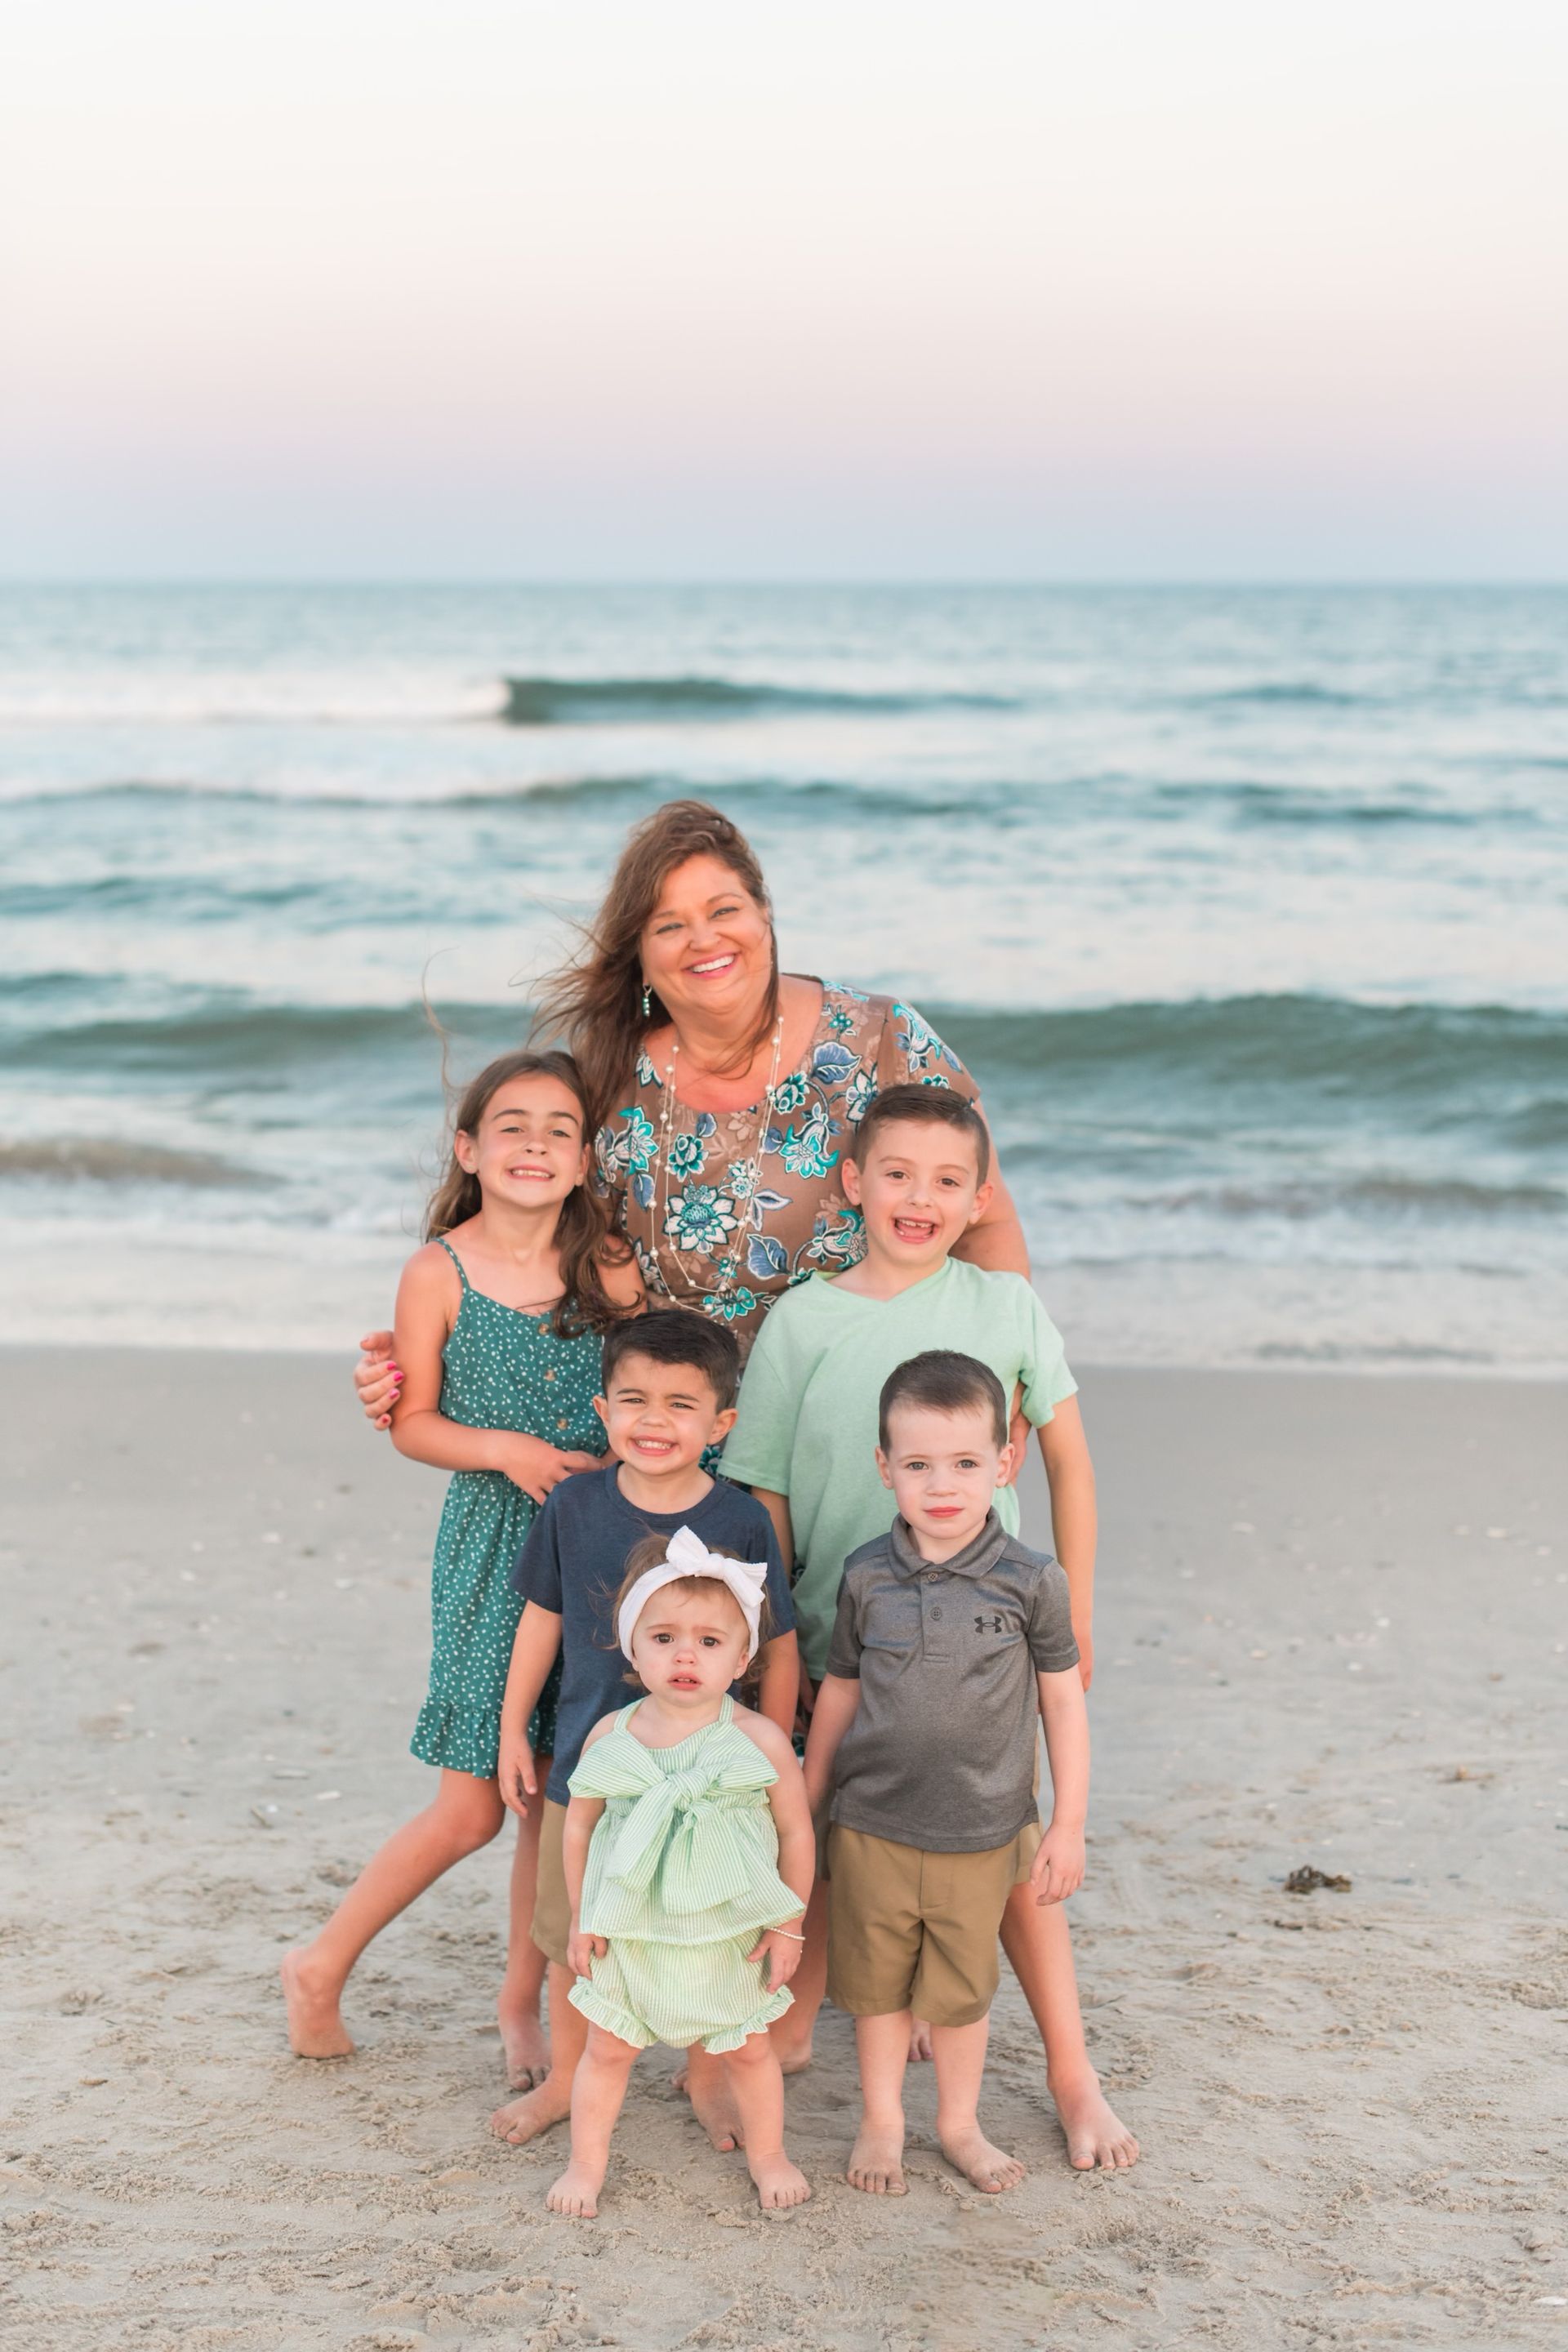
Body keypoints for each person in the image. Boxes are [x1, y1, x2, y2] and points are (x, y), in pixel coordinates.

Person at [723, 1081, 1138, 2170]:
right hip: (837, 1642)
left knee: (1003, 1855)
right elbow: (760, 1495)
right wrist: (776, 1648)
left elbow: (1070, 1460)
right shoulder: (803, 1320)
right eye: (897, 1174)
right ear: (854, 1184)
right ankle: (791, 2032)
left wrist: (1077, 1608)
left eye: (948, 1180)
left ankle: (1072, 2075)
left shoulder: (1005, 1307)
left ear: (979, 1195)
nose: (920, 1198)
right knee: (832, 1840)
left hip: (989, 1654)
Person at [352, 796, 1031, 1388]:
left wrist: (1003, 1385)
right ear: (641, 956)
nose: (703, 939)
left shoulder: (883, 1040)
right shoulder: (609, 1080)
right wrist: (430, 1351)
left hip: (863, 1422)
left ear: (765, 915)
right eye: (669, 925)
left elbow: (988, 1221)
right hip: (665, 1442)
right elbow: (532, 1242)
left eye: (724, 909)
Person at [282, 1051, 640, 2074]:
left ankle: (520, 2000)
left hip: (599, 1546)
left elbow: (645, 1382)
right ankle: (320, 1962)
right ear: (469, 1149)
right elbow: (413, 1422)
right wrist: (507, 1450)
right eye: (512, 1125)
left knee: (555, 1790)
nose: (535, 1143)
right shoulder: (437, 1271)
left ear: (582, 1161)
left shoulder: (607, 1260)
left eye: (559, 1128)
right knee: (475, 1802)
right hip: (495, 1548)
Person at [488, 1309, 800, 2154]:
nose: (654, 1422)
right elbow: (540, 1620)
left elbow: (777, 1648)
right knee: (571, 1937)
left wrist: (774, 1752)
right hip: (594, 1775)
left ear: (721, 1424)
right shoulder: (576, 1505)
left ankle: (705, 2076)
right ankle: (564, 2079)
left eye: (680, 1405)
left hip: (709, 1787)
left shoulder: (739, 1522)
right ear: (603, 1408)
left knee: (703, 1936)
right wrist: (515, 1729)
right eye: (633, 1401)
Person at [803, 1351, 1090, 2198]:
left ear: (1004, 1464)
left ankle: (958, 2124)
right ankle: (883, 2120)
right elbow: (839, 1697)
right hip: (872, 1828)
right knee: (878, 1988)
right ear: (885, 1467)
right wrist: (810, 1802)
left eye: (966, 1463)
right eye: (918, 1464)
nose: (942, 1485)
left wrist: (1067, 1822)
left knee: (962, 1995)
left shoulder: (1031, 1580)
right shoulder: (865, 1577)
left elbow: (1063, 1706)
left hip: (981, 1831)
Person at [545, 1528, 814, 2218]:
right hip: (633, 1930)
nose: (685, 1654)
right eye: (663, 1638)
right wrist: (583, 1915)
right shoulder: (613, 1735)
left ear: (744, 1656)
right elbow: (579, 1826)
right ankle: (585, 2164)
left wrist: (790, 1926)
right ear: (633, 1647)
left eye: (709, 1641)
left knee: (750, 2052)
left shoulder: (756, 1738)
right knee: (607, 2051)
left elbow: (795, 1831)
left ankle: (769, 2155)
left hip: (725, 1931)